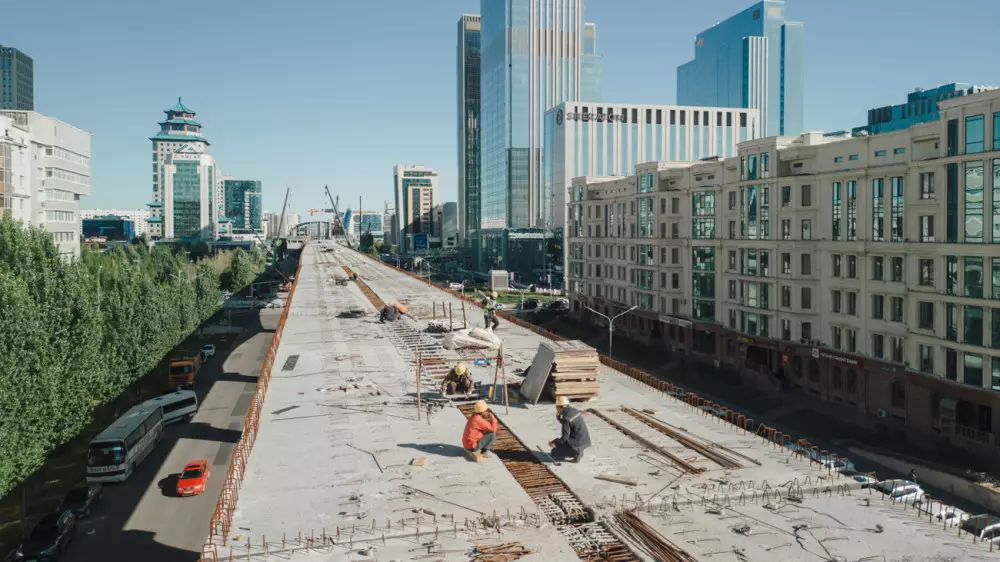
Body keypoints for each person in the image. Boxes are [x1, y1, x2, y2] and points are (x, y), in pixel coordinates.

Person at [548, 396, 591, 463]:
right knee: (562, 444)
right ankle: (578, 451)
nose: (556, 409)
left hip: (576, 443)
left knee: (554, 452)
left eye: (557, 407)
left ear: (560, 407)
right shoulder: (574, 410)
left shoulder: (566, 419)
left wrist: (555, 442)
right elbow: (571, 424)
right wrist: (560, 419)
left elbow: (564, 438)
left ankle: (576, 453)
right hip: (585, 440)